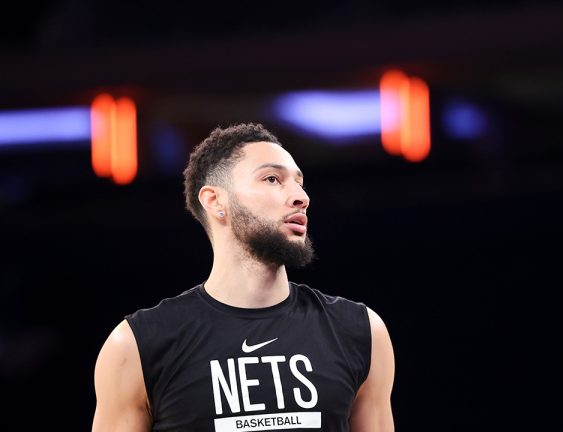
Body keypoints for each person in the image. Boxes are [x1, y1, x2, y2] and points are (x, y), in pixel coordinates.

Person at [91, 122, 396, 432]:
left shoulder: (360, 331)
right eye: (273, 179)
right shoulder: (137, 345)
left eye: (299, 182)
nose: (300, 196)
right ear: (215, 201)